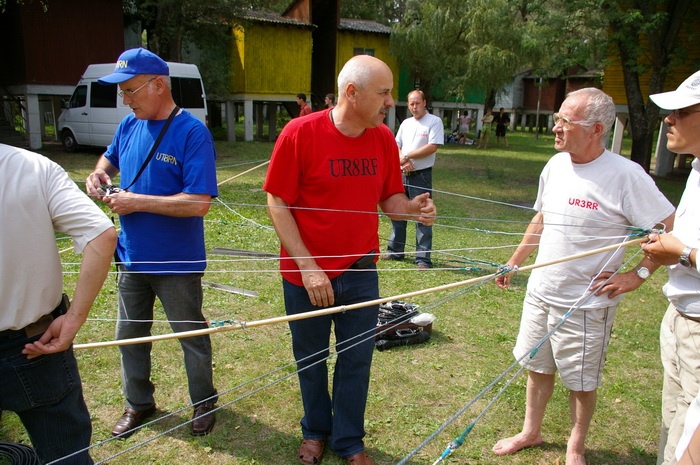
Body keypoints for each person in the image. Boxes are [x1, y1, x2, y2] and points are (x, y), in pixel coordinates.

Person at [264, 55, 436, 465]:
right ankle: (314, 431)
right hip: (306, 276)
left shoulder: (382, 138)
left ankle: (349, 442)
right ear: (352, 93)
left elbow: (390, 201)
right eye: (384, 93)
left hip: (360, 272)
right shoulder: (299, 133)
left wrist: (413, 209)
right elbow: (277, 202)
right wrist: (309, 268)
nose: (391, 102)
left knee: (356, 360)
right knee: (311, 359)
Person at [492, 87, 674, 465]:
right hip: (541, 291)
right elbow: (541, 218)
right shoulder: (556, 165)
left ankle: (575, 447)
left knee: (580, 380)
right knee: (537, 366)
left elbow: (668, 228)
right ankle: (531, 432)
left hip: (587, 303)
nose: (556, 127)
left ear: (596, 129)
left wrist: (638, 274)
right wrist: (515, 261)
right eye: (557, 118)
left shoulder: (626, 175)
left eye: (565, 121)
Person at [85, 47, 219, 439]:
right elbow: (108, 159)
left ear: (158, 85)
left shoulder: (192, 132)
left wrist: (136, 202)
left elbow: (198, 203)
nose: (126, 100)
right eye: (122, 92)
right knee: (129, 336)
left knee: (189, 337)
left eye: (130, 90)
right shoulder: (129, 126)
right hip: (131, 258)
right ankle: (138, 403)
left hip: (177, 263)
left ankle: (204, 400)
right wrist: (98, 174)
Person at [1, 143, 117, 464]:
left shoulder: (34, 167)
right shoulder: (32, 167)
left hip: (34, 346)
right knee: (66, 457)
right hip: (34, 343)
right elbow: (102, 234)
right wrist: (73, 319)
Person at [645, 70, 700, 465]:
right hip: (679, 317)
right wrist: (666, 245)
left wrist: (681, 252)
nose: (669, 119)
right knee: (673, 423)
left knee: (688, 444)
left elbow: (688, 250)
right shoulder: (696, 169)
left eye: (680, 112)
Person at [385, 89, 443, 270]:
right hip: (402, 174)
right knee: (398, 212)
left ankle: (423, 259)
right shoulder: (406, 123)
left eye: (418, 103)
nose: (415, 107)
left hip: (421, 175)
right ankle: (395, 251)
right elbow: (396, 145)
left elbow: (432, 147)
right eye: (411, 104)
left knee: (423, 215)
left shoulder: (434, 121)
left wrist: (407, 156)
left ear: (424, 103)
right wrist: (402, 160)